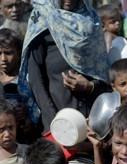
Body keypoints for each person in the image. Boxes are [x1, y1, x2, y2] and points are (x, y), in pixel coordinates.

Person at [19, 0, 110, 133]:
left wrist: (90, 86)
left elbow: (102, 72)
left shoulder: (91, 21)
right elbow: (35, 78)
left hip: (92, 116)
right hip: (58, 114)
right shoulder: (43, 20)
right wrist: (52, 119)